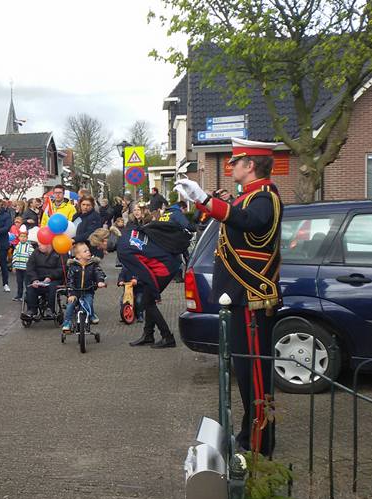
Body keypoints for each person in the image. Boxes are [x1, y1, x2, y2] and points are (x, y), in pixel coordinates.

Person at [174, 137, 282, 457]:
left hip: (250, 296)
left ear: (251, 165)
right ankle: (251, 431)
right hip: (238, 296)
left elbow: (249, 222)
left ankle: (261, 440)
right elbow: (235, 219)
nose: (231, 166)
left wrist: (207, 199)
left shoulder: (264, 196)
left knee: (255, 374)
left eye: (236, 162)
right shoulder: (248, 196)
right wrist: (206, 202)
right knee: (245, 372)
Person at [117, 193, 192, 350]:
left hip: (164, 268)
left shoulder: (123, 251)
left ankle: (167, 337)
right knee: (147, 299)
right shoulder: (128, 234)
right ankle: (148, 335)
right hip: (170, 260)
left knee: (148, 302)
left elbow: (145, 272)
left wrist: (155, 293)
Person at [62, 242, 107, 331]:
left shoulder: (93, 264)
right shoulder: (73, 266)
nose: (88, 252)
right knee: (70, 305)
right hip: (75, 291)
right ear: (78, 256)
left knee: (88, 303)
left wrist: (100, 281)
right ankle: (67, 322)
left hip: (88, 290)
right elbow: (70, 280)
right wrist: (71, 293)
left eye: (88, 250)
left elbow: (99, 273)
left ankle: (91, 315)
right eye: (85, 251)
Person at [21, 237, 64, 319]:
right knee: (30, 287)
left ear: (48, 244)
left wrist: (50, 277)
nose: (39, 246)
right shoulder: (36, 252)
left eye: (41, 244)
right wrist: (34, 279)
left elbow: (61, 269)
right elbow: (30, 267)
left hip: (54, 279)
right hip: (39, 277)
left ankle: (50, 309)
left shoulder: (59, 253)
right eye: (38, 244)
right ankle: (32, 310)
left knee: (52, 287)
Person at [10, 228, 33, 301]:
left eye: (24, 237)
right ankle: (19, 295)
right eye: (21, 236)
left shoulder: (29, 247)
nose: (23, 238)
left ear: (27, 238)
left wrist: (30, 267)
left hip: (26, 269)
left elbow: (32, 258)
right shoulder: (17, 246)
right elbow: (14, 256)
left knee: (27, 283)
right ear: (19, 237)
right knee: (19, 282)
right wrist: (14, 266)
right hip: (18, 268)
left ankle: (28, 296)